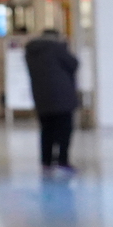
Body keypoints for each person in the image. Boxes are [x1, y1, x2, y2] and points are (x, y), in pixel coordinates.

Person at [25, 28, 80, 172]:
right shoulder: (57, 48)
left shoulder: (31, 51)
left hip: (41, 95)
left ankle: (46, 161)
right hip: (62, 96)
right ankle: (62, 160)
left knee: (46, 129)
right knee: (65, 129)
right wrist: (65, 47)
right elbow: (73, 64)